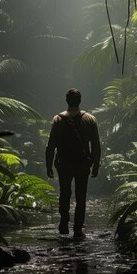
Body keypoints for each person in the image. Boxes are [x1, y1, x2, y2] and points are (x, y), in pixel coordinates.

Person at [45, 88, 101, 239]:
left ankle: (64, 223)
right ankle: (78, 228)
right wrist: (96, 164)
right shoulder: (90, 119)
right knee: (81, 196)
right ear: (80, 101)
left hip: (63, 163)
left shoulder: (58, 119)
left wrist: (48, 165)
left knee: (64, 193)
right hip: (83, 164)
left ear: (66, 100)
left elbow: (51, 145)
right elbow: (95, 145)